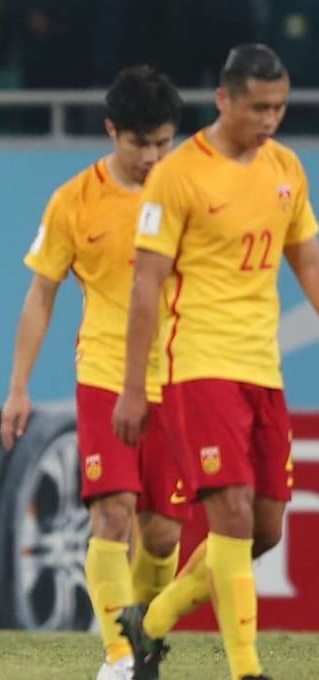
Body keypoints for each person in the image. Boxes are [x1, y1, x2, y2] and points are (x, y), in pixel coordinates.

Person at [113, 44, 319, 680]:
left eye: (280, 106)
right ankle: (246, 670)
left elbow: (307, 260)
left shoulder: (286, 167)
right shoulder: (178, 175)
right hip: (198, 363)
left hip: (262, 368)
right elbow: (146, 284)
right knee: (227, 513)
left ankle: (146, 623)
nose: (270, 119)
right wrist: (132, 388)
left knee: (263, 530)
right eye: (258, 106)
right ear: (224, 100)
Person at [0, 65, 186, 680]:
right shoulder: (74, 201)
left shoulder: (189, 191)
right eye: (141, 144)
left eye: (164, 142)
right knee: (112, 511)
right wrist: (19, 387)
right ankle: (119, 656)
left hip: (182, 376)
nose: (154, 156)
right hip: (106, 373)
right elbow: (41, 294)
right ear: (112, 131)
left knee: (161, 534)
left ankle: (146, 637)